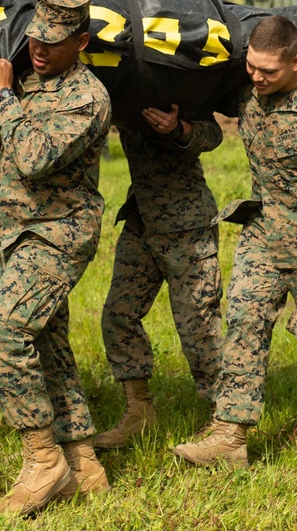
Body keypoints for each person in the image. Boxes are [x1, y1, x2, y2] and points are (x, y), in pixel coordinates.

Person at [172, 15, 297, 467]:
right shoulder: (249, 89)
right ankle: (230, 436)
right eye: (252, 68)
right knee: (244, 322)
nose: (258, 79)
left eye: (269, 71)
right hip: (264, 233)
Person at [0, 0, 112, 516]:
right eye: (33, 38)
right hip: (19, 234)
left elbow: (33, 157)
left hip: (59, 234)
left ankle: (42, 461)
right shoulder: (28, 85)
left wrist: (5, 99)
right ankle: (84, 465)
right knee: (47, 346)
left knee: (3, 335)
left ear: (83, 41)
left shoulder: (87, 97)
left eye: (53, 40)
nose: (39, 49)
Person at [93, 110, 224, 449]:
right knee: (118, 316)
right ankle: (138, 414)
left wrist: (181, 127)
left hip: (187, 222)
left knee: (198, 324)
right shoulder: (124, 87)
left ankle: (225, 420)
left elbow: (212, 135)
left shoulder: (175, 80)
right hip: (141, 219)